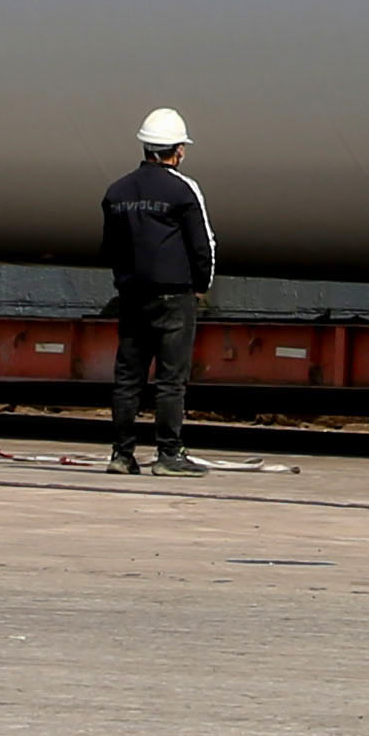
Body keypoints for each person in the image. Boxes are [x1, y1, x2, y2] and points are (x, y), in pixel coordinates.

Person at [99, 105, 219, 475]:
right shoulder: (184, 190)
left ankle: (121, 455)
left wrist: (125, 282)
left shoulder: (116, 191)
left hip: (133, 295)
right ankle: (169, 455)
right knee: (171, 379)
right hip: (174, 297)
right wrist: (201, 287)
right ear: (178, 150)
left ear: (145, 147)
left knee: (128, 377)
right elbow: (203, 246)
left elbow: (110, 249)